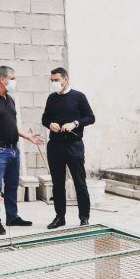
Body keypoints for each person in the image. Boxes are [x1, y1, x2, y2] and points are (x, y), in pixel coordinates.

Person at [0, 65, 44, 235]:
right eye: (12, 78)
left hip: (13, 150)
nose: (14, 81)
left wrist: (27, 136)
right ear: (2, 79)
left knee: (12, 186)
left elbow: (10, 124)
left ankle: (12, 217)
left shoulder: (9, 99)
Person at [41, 67, 95, 228]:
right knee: (58, 183)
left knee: (79, 182)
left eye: (56, 80)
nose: (54, 83)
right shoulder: (51, 98)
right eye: (52, 80)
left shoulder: (78, 97)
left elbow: (90, 117)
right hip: (55, 146)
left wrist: (75, 123)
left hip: (73, 145)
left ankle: (84, 217)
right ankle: (60, 217)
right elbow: (45, 118)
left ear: (66, 79)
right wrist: (50, 124)